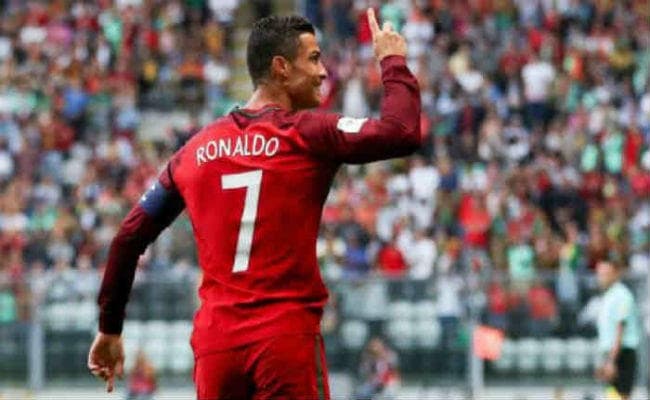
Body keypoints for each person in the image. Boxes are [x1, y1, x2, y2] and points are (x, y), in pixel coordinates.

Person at [88, 9, 421, 400]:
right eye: (314, 59)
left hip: (217, 350)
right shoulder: (308, 134)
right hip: (284, 339)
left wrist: (109, 329)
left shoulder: (193, 152)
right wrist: (392, 61)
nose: (323, 72)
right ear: (281, 67)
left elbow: (128, 238)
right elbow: (401, 131)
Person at [594, 260, 641, 400]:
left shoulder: (622, 295)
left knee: (622, 396)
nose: (601, 278)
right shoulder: (608, 295)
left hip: (621, 353)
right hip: (610, 352)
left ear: (615, 274)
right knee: (611, 395)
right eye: (600, 274)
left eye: (606, 274)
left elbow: (620, 329)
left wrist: (611, 361)